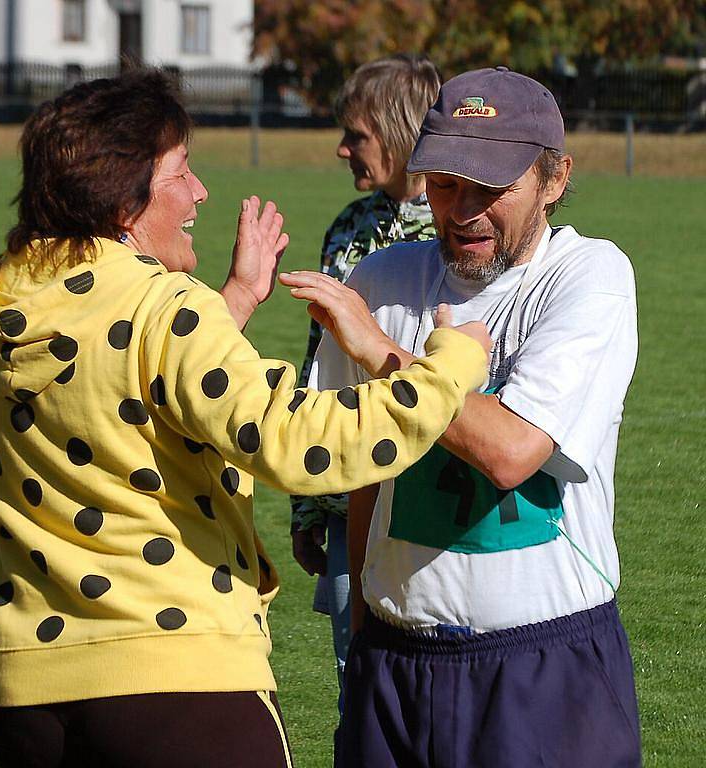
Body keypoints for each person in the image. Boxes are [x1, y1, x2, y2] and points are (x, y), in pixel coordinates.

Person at [0, 69, 491, 768]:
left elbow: (120, 379)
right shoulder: (166, 308)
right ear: (124, 199)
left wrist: (237, 300)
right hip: (176, 683)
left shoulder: (12, 294)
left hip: (30, 686)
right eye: (180, 172)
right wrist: (449, 367)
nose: (199, 193)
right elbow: (298, 443)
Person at [283, 66, 641, 767]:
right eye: (445, 184)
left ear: (555, 179)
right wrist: (362, 633)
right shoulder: (381, 280)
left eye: (492, 189)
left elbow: (512, 451)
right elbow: (363, 475)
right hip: (394, 660)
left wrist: (384, 353)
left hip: (542, 662)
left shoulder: (588, 276)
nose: (463, 209)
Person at [289, 54, 442, 730]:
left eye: (357, 134)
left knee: (435, 691)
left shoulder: (458, 232)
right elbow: (315, 367)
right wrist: (305, 502)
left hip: (432, 499)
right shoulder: (348, 228)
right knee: (359, 690)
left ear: (402, 130)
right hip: (348, 492)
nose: (342, 147)